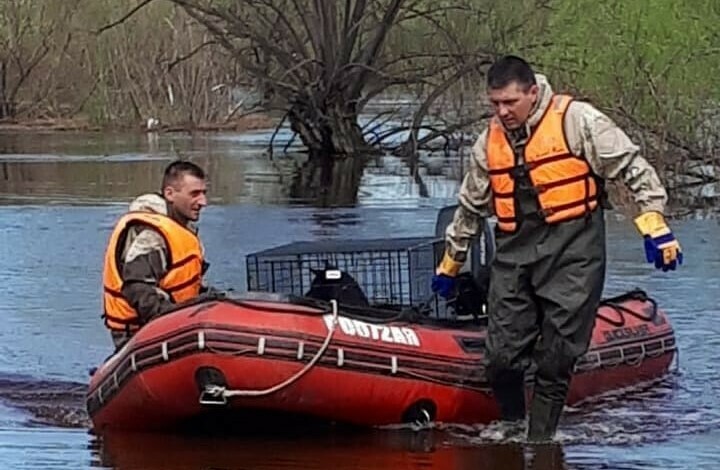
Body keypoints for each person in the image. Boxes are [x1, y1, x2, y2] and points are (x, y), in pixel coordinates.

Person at [431, 55, 682, 442]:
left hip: (573, 249)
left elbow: (631, 168)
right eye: (495, 103)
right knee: (500, 358)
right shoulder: (489, 142)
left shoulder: (579, 121)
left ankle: (541, 441)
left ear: (533, 92)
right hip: (515, 252)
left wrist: (654, 224)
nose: (502, 112)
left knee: (557, 355)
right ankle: (513, 430)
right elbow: (470, 207)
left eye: (510, 102)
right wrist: (452, 262)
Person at [101, 160, 215, 350]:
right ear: (170, 194)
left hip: (173, 321)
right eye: (194, 194)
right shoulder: (152, 235)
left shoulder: (180, 229)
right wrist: (175, 322)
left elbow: (176, 283)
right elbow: (136, 287)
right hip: (138, 333)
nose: (203, 202)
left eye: (204, 193)